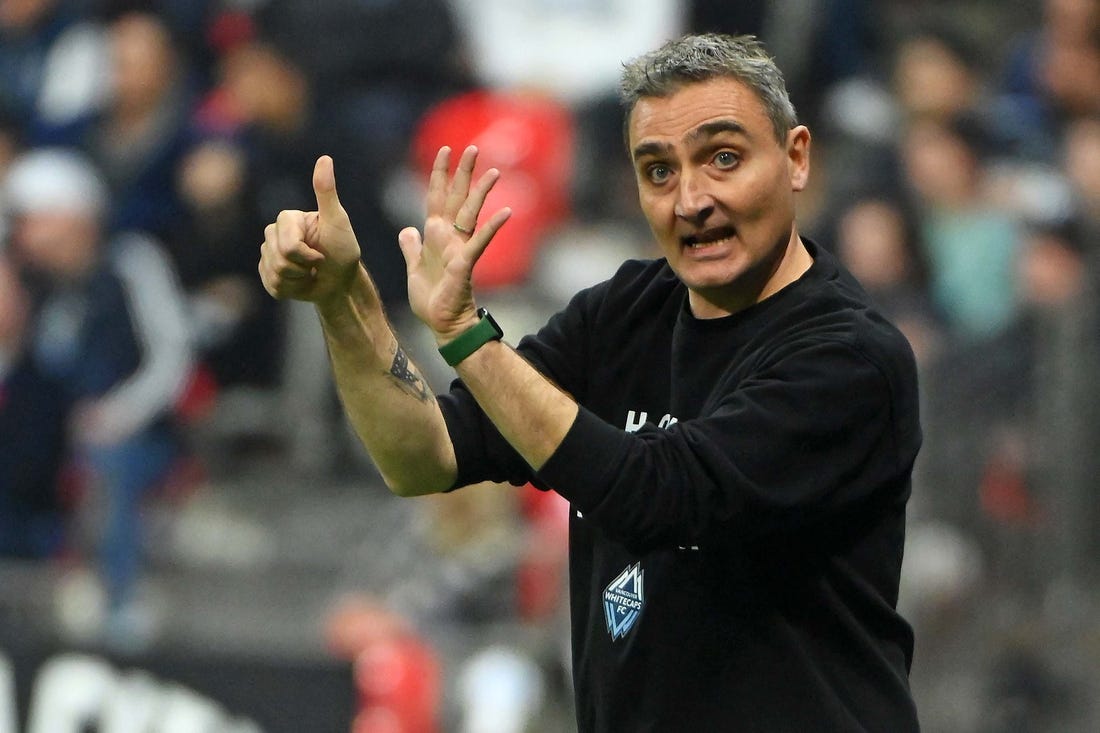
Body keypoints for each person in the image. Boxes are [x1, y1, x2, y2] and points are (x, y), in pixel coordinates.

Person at [259, 33, 922, 731]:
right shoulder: (623, 313)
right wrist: (343, 300)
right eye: (658, 170)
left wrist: (466, 336)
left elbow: (657, 496)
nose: (690, 198)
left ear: (795, 159)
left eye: (723, 158)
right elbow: (425, 454)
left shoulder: (850, 359)